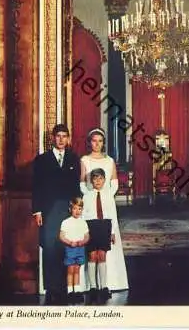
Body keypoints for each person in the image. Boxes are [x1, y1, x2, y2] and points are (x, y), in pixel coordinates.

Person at [32, 124, 81, 305]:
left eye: (64, 136)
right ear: (53, 138)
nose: (61, 139)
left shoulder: (73, 159)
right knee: (50, 248)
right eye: (58, 136)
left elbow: (76, 187)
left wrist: (77, 210)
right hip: (48, 210)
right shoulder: (42, 160)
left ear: (68, 138)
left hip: (67, 210)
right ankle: (51, 289)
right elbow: (36, 187)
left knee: (65, 248)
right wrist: (37, 211)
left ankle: (63, 288)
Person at [79, 127, 128, 293]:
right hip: (90, 204)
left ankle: (109, 283)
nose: (97, 144)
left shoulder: (109, 160)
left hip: (106, 203)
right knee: (92, 248)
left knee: (106, 247)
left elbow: (114, 183)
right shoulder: (85, 160)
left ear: (104, 143)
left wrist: (104, 194)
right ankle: (92, 286)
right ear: (89, 142)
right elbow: (82, 183)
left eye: (100, 141)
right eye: (94, 141)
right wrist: (92, 195)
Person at [83, 168, 118, 304]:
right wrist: (84, 231)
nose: (98, 181)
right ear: (91, 180)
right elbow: (84, 215)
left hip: (105, 225)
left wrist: (113, 232)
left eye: (100, 178)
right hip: (91, 225)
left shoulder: (109, 195)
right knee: (92, 255)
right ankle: (93, 287)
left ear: (104, 180)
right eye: (95, 178)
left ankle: (103, 286)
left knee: (102, 255)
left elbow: (113, 214)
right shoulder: (87, 196)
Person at [59, 197, 90, 304]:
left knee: (77, 269)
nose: (77, 211)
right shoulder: (66, 222)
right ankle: (70, 292)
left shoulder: (83, 222)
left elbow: (87, 236)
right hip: (70, 248)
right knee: (70, 270)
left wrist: (83, 241)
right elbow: (61, 236)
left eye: (80, 209)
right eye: (75, 209)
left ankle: (77, 291)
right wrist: (69, 242)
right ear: (70, 209)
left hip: (80, 248)